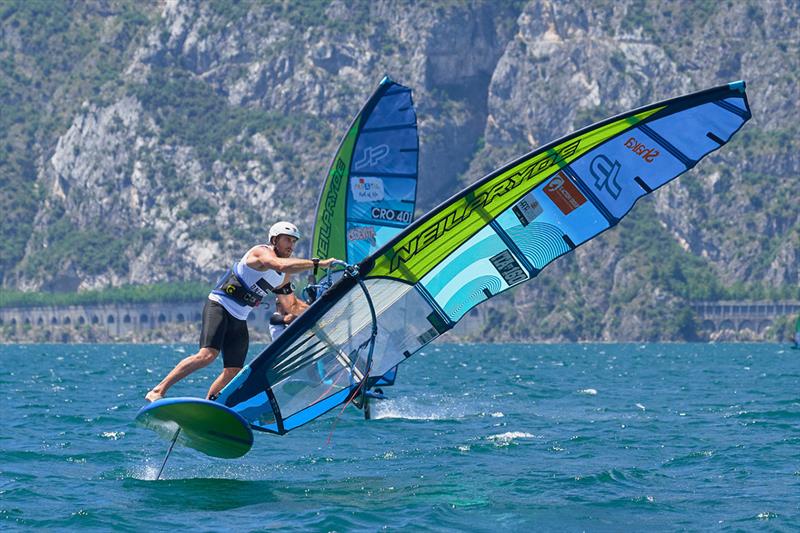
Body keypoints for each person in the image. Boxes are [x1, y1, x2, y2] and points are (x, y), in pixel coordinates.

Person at [145, 221, 338, 402]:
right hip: (220, 306)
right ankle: (158, 391)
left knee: (233, 371)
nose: (291, 245)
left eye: (294, 241)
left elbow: (292, 306)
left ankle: (210, 406)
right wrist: (318, 264)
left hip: (239, 317)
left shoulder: (283, 275)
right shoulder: (261, 252)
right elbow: (278, 264)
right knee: (207, 355)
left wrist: (327, 309)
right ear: (274, 240)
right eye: (288, 239)